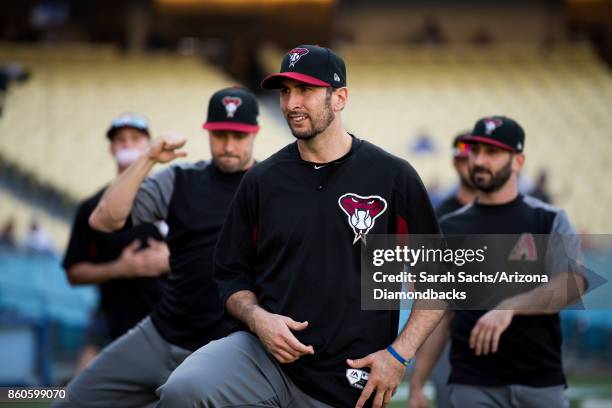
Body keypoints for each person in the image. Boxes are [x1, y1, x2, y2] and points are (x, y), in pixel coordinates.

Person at [158, 44, 444, 408]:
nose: (291, 103)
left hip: (348, 377)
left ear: (339, 98)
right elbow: (230, 276)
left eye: (305, 90)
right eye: (285, 91)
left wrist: (399, 355)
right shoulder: (261, 181)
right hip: (263, 357)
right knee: (182, 390)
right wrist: (258, 318)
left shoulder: (392, 177)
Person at [54, 87, 260, 407]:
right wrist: (148, 158)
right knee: (70, 402)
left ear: (255, 133)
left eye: (238, 135)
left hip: (227, 346)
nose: (229, 145)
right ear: (207, 132)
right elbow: (104, 220)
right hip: (163, 331)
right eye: (220, 135)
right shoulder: (181, 178)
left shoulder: (269, 185)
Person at [408, 116, 586, 408]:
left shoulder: (549, 219)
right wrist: (417, 384)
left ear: (517, 161)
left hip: (540, 382)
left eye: (492, 152)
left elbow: (573, 283)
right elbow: (439, 312)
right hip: (472, 384)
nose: (479, 160)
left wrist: (509, 307)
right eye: (475, 151)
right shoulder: (447, 229)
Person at [62, 113, 170, 373]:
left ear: (149, 146)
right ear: (111, 148)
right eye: (120, 140)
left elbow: (213, 252)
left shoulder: (177, 196)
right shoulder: (92, 208)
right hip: (114, 322)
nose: (127, 145)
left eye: (135, 138)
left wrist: (173, 255)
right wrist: (120, 268)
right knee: (83, 390)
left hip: (174, 319)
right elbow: (74, 272)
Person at [411, 132, 477, 408]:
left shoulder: (512, 212)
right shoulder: (439, 216)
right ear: (454, 163)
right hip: (449, 334)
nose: (471, 165)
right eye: (462, 159)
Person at [435, 132, 477, 218]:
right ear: (455, 163)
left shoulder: (506, 212)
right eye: (465, 160)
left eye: (476, 158)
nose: (473, 165)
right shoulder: (441, 216)